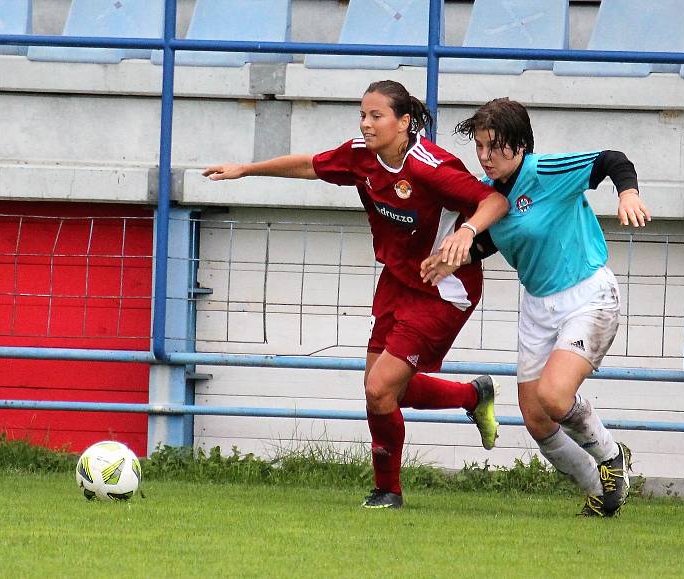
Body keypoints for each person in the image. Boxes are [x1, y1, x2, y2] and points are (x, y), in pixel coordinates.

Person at [203, 80, 510, 509]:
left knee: (381, 389)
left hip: (442, 288)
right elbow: (311, 165)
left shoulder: (430, 166)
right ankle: (472, 396)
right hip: (396, 282)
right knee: (380, 389)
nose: (366, 124)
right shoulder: (361, 157)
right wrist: (246, 170)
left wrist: (464, 233)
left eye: (376, 116)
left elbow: (494, 202)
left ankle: (388, 490)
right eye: (362, 115)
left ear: (404, 123)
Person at [420, 98, 651, 517]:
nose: (486, 157)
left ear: (521, 144)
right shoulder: (490, 198)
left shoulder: (547, 172)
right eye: (480, 147)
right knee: (536, 417)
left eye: (496, 146)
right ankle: (601, 490)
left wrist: (628, 193)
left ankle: (612, 457)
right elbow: (496, 240)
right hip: (537, 306)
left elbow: (612, 160)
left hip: (587, 294)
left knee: (554, 396)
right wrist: (455, 258)